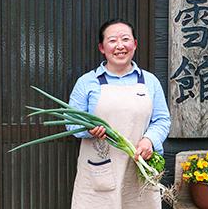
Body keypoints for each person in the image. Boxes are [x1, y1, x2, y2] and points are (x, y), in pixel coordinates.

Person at [67, 18, 171, 209]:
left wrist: (149, 140)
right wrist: (89, 129)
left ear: (135, 44)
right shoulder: (87, 82)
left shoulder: (150, 81)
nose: (120, 46)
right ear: (102, 47)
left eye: (125, 39)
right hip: (100, 169)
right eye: (112, 40)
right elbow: (71, 123)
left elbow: (162, 120)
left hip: (140, 166)